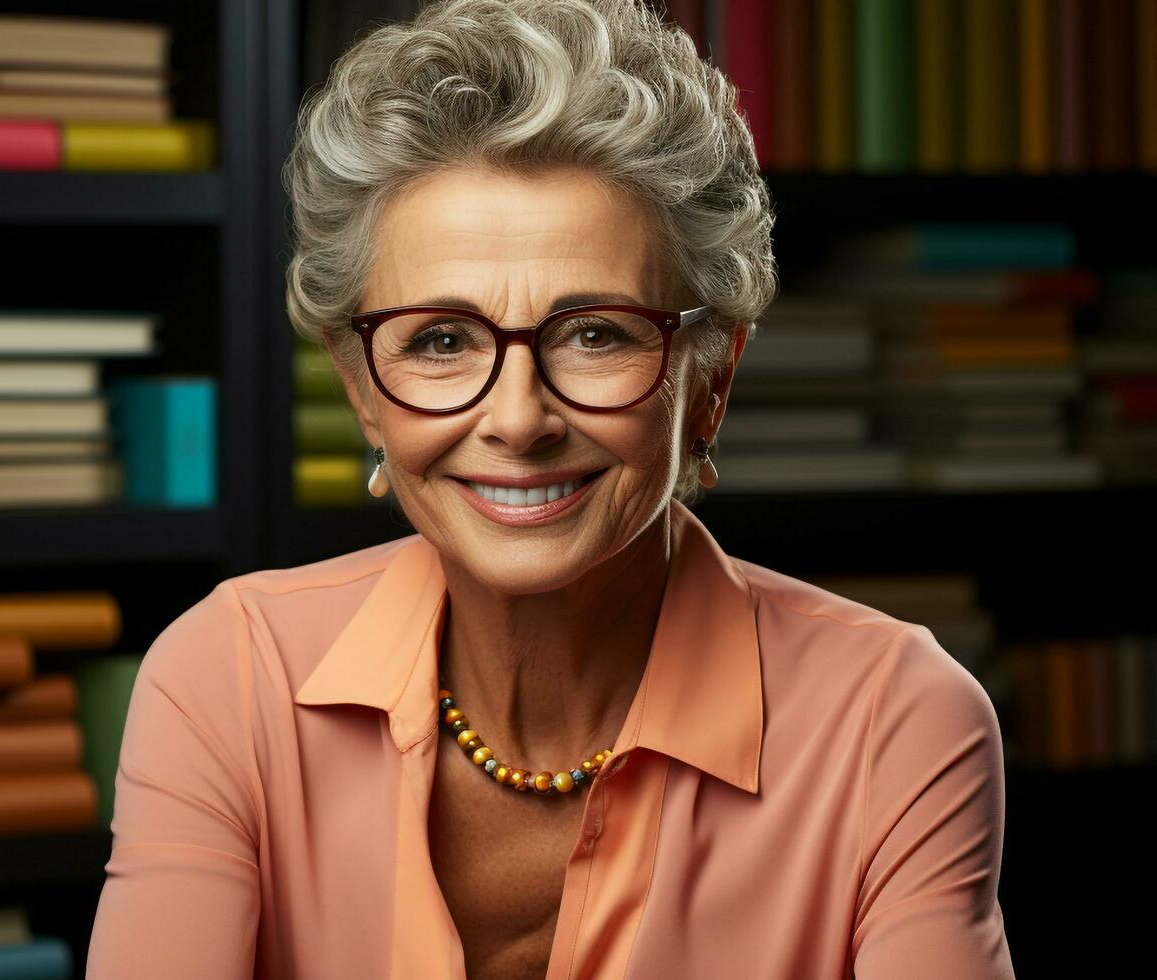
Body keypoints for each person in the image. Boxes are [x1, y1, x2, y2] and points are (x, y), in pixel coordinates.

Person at [86, 1, 1015, 976]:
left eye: (595, 333)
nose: (519, 419)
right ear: (360, 387)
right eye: (440, 340)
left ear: (710, 376)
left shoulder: (894, 721)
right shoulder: (226, 677)